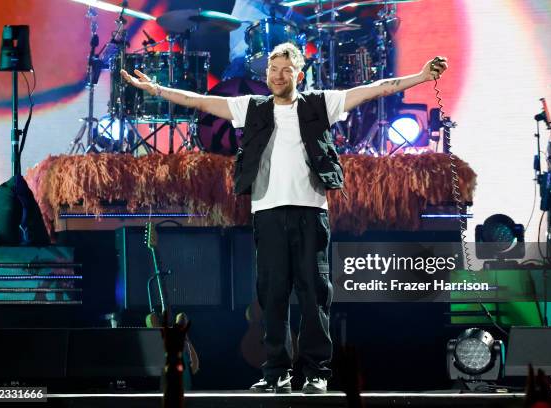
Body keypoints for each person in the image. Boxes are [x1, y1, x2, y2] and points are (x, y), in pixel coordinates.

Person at [121, 43, 447, 394]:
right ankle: (276, 371)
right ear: (266, 76)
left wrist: (420, 76)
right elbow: (199, 101)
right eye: (273, 70)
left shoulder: (320, 103)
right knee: (271, 296)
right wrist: (155, 89)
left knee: (314, 294)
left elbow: (375, 89)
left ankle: (317, 371)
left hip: (310, 211)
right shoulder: (251, 107)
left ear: (299, 75)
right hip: (267, 212)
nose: (278, 76)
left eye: (286, 70)